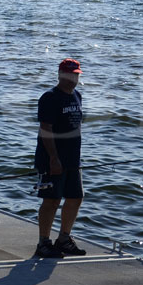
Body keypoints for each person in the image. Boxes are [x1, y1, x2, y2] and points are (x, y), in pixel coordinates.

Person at [33, 58, 87, 258]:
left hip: (73, 160)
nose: (72, 78)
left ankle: (64, 238)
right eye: (69, 74)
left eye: (76, 74)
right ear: (60, 74)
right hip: (52, 160)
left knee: (75, 197)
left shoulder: (77, 96)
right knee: (52, 200)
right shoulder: (50, 97)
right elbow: (46, 129)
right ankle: (43, 243)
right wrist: (54, 159)